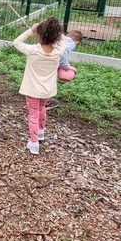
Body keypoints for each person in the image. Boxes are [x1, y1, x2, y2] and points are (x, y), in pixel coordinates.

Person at [12, 17, 66, 155]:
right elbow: (62, 39)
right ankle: (41, 133)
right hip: (47, 90)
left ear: (40, 35)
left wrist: (32, 29)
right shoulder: (59, 50)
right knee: (42, 109)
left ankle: (34, 143)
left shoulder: (33, 50)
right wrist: (50, 27)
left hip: (32, 90)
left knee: (33, 115)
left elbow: (16, 42)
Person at [46, 30, 83, 110]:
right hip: (52, 64)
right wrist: (65, 65)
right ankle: (46, 102)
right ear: (77, 42)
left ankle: (38, 98)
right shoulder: (71, 43)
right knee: (50, 81)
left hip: (46, 60)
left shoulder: (60, 39)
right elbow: (63, 53)